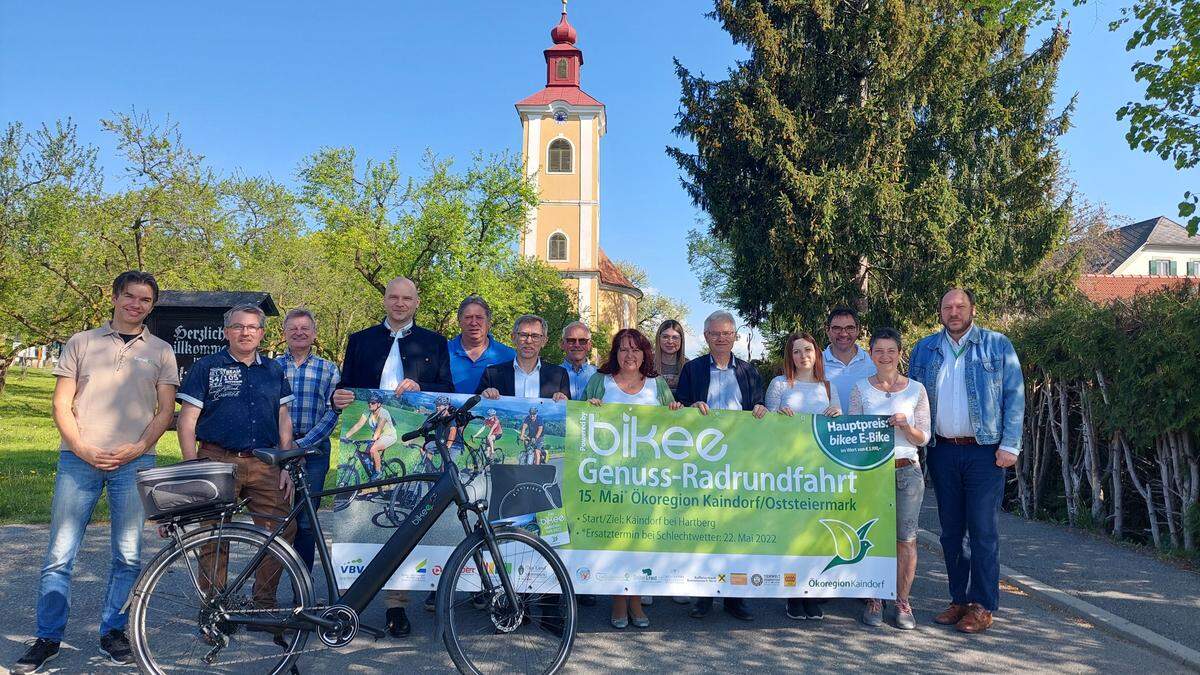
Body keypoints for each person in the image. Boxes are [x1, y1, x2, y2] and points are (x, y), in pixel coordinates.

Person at [14, 271, 179, 674]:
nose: (136, 305)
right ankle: (48, 637)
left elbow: (166, 411)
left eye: (144, 300)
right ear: (115, 297)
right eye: (129, 297)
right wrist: (83, 448)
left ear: (151, 305)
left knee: (127, 555)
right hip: (79, 460)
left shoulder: (161, 351)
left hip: (134, 462)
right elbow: (60, 404)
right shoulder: (81, 343)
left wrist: (138, 448)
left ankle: (113, 631)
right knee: (59, 554)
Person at [331, 276, 454, 638]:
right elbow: (345, 386)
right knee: (357, 523)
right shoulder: (361, 340)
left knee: (404, 523)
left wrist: (422, 386)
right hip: (369, 424)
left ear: (416, 303)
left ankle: (396, 606)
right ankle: (348, 601)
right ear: (385, 300)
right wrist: (338, 397)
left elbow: (448, 389)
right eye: (394, 297)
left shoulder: (433, 342)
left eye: (407, 298)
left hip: (408, 431)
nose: (400, 304)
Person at [908, 289, 1024, 634]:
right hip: (942, 451)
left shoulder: (997, 345)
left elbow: (1014, 398)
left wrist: (1010, 445)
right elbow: (912, 397)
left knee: (983, 532)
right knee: (951, 532)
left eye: (960, 307)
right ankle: (958, 599)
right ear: (940, 312)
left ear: (972, 309)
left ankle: (982, 604)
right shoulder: (925, 349)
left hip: (984, 452)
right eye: (947, 307)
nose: (954, 312)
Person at [176, 304, 297, 627]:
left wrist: (286, 463)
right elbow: (187, 421)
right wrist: (192, 467)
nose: (246, 332)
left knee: (282, 529)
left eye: (253, 327)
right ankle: (215, 610)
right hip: (216, 459)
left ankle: (263, 604)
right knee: (214, 537)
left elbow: (284, 419)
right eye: (239, 327)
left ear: (261, 333)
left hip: (265, 462)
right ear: (227, 331)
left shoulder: (274, 371)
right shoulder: (206, 367)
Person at [583, 328, 681, 629]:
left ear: (644, 354)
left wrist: (678, 411)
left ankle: (636, 599)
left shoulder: (657, 384)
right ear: (616, 353)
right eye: (623, 349)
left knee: (641, 541)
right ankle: (617, 599)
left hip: (648, 478)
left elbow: (674, 425)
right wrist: (591, 408)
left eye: (635, 349)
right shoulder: (600, 381)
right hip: (609, 476)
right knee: (615, 538)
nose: (630, 355)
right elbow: (581, 422)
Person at [674, 310, 766, 622]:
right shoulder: (693, 369)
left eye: (727, 334)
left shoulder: (749, 371)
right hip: (701, 462)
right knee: (703, 528)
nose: (721, 338)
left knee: (737, 529)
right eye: (715, 334)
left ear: (735, 336)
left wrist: (761, 409)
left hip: (739, 464)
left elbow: (760, 407)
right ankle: (702, 596)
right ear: (706, 336)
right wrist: (689, 407)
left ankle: (735, 597)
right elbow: (679, 407)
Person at [848, 328, 930, 630]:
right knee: (872, 538)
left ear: (899, 353)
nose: (884, 356)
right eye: (878, 351)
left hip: (906, 469)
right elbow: (854, 433)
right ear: (871, 354)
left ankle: (902, 601)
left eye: (890, 351)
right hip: (871, 473)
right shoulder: (860, 388)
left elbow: (924, 437)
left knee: (905, 541)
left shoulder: (916, 390)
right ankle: (875, 598)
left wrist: (906, 427)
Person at [764, 331, 841, 621]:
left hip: (819, 471)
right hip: (787, 469)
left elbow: (837, 426)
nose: (803, 355)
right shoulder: (780, 384)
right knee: (793, 533)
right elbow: (765, 426)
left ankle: (814, 591)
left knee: (817, 532)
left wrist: (836, 414)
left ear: (816, 353)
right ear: (790, 357)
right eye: (796, 351)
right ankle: (793, 593)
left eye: (807, 350)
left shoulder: (828, 387)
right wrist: (777, 418)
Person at [276, 308, 342, 573]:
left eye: (305, 328)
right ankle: (267, 592)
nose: (299, 332)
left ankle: (301, 586)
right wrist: (286, 446)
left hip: (314, 451)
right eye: (293, 328)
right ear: (284, 333)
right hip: (277, 450)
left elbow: (333, 412)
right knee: (276, 518)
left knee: (306, 520)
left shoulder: (329, 369)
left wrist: (302, 446)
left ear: (314, 334)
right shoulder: (271, 367)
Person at [477, 314, 571, 403]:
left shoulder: (559, 375)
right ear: (513, 337)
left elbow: (568, 416)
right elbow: (477, 408)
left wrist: (565, 404)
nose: (529, 341)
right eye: (523, 335)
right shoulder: (492, 374)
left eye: (535, 336)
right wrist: (484, 397)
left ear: (544, 341)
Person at [447, 295, 516, 395]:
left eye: (479, 317)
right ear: (459, 322)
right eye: (468, 317)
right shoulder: (443, 352)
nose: (474, 323)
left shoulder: (508, 355)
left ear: (489, 323)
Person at [823, 307, 876, 413]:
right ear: (827, 331)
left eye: (850, 328)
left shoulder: (873, 363)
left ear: (858, 330)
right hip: (824, 428)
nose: (843, 334)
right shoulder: (815, 364)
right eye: (837, 328)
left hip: (864, 428)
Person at [342, 392, 398, 478]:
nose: (370, 404)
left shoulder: (384, 413)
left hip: (389, 436)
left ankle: (378, 472)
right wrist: (346, 436)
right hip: (377, 436)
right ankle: (373, 468)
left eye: (373, 403)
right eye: (369, 402)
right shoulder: (367, 412)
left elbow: (379, 429)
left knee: (373, 449)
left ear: (379, 404)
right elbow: (359, 425)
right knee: (366, 454)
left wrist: (373, 440)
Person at [559, 321, 597, 400]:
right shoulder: (551, 376)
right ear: (562, 344)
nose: (577, 345)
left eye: (582, 341)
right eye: (571, 340)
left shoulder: (601, 376)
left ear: (589, 345)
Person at [654, 319, 689, 395]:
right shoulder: (647, 363)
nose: (670, 341)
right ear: (658, 339)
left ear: (681, 340)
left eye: (675, 337)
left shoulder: (689, 366)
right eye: (665, 337)